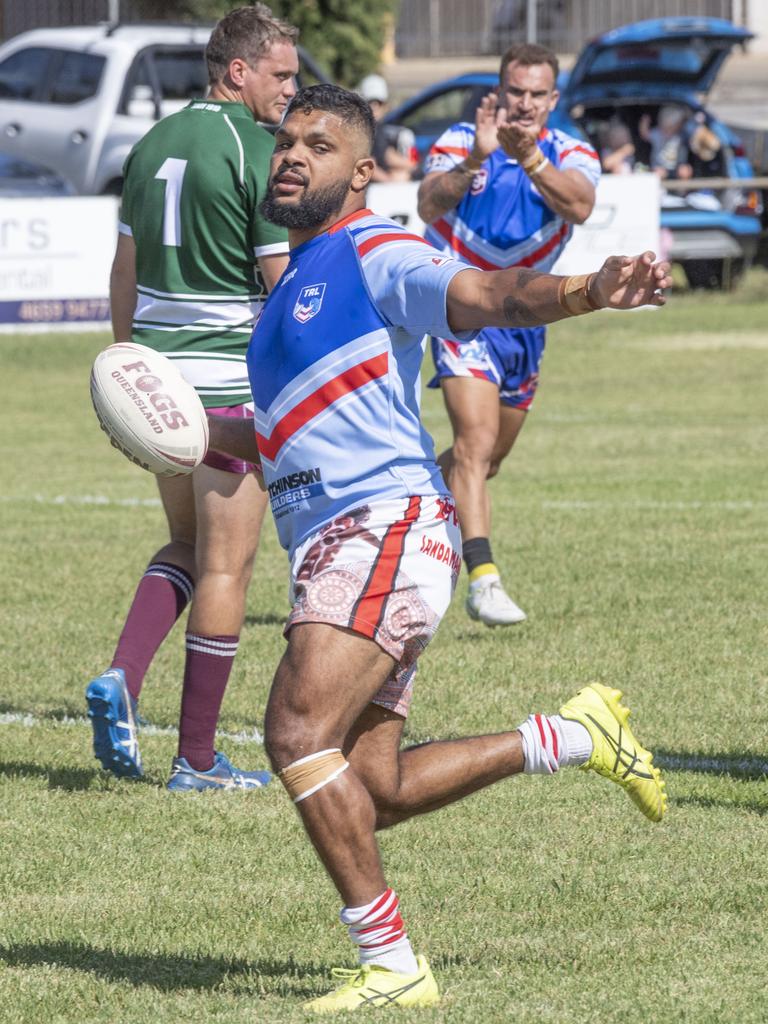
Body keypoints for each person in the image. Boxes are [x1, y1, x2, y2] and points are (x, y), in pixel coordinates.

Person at [206, 83, 670, 1012]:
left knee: (296, 734)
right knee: (376, 784)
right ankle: (576, 734)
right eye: (288, 141)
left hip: (382, 525)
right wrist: (184, 431)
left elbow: (487, 293)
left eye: (321, 145)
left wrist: (587, 290)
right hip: (343, 540)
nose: (293, 155)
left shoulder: (377, 248)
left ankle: (392, 963)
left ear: (363, 173)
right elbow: (285, 434)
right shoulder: (286, 290)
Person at [85, 5, 298, 791]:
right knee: (226, 570)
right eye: (280, 74)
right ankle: (198, 760)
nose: (291, 88)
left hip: (159, 385)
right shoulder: (258, 148)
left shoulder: (151, 143)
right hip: (230, 388)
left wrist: (128, 370)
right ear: (236, 71)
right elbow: (279, 287)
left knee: (183, 546)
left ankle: (120, 678)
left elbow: (124, 271)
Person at [416, 43, 600, 628]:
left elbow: (581, 206)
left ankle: (403, 506)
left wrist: (530, 161)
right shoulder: (458, 140)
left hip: (525, 323)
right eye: (514, 91)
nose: (523, 103)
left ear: (553, 98)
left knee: (487, 460)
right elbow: (426, 204)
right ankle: (483, 579)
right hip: (462, 308)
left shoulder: (570, 150)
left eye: (536, 94)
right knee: (474, 441)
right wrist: (476, 159)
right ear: (498, 91)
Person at [357, 73, 416, 182]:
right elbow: (367, 163)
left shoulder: (379, 128)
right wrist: (389, 181)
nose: (374, 107)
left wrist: (414, 166)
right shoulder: (361, 132)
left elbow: (388, 155)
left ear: (385, 105)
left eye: (378, 103)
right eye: (370, 103)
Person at [640, 105, 693, 181]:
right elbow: (645, 135)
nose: (668, 132)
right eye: (666, 128)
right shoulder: (657, 134)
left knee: (685, 171)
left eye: (671, 127)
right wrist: (644, 122)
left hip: (676, 167)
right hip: (660, 166)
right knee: (658, 173)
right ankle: (660, 191)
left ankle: (682, 191)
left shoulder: (681, 135)